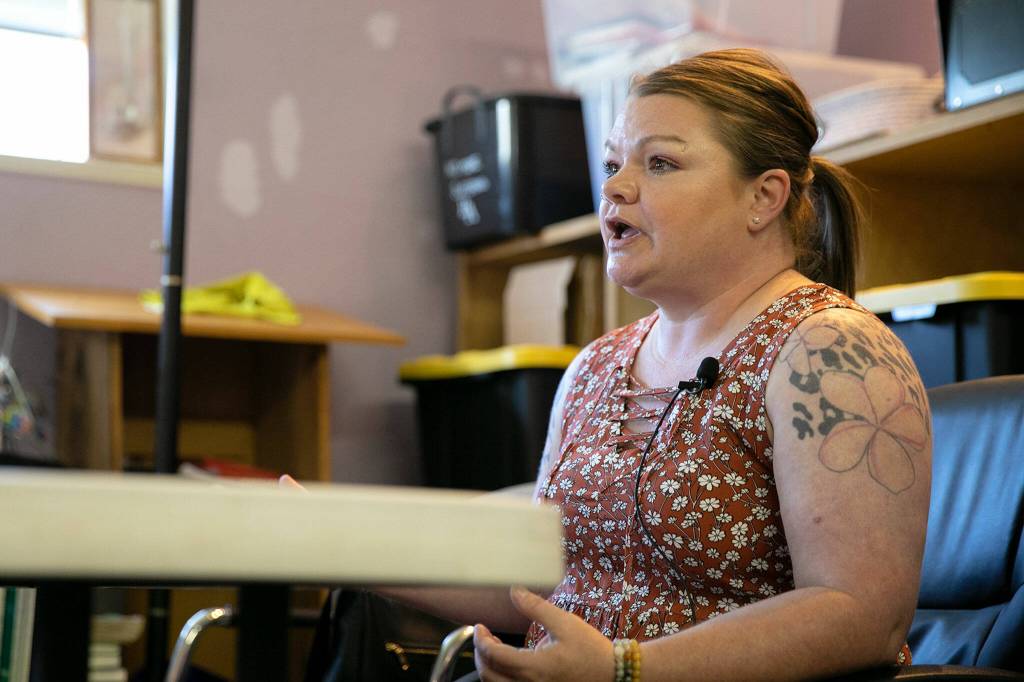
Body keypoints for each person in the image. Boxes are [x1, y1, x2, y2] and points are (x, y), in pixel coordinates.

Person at [296, 47, 933, 682]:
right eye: (612, 163)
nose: (615, 187)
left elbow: (861, 613)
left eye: (660, 163)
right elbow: (545, 580)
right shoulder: (595, 366)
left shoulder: (830, 350)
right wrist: (345, 548)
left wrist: (623, 669)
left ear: (764, 197)